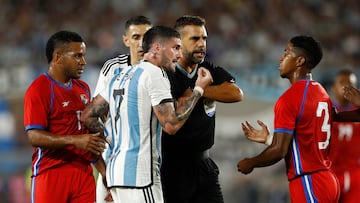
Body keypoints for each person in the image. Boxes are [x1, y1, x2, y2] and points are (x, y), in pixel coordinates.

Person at [80, 25, 213, 203]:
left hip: (115, 174)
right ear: (157, 48)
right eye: (175, 48)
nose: (179, 55)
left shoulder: (120, 76)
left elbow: (87, 115)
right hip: (140, 176)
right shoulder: (154, 74)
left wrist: (109, 137)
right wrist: (198, 90)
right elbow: (171, 125)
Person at [237, 35, 340, 202]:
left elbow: (279, 151)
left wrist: (251, 162)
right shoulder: (321, 92)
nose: (281, 57)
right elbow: (306, 142)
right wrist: (270, 139)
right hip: (326, 180)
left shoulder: (289, 98)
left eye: (286, 52)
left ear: (300, 61)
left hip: (309, 182)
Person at [161, 15, 243, 203]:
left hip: (204, 166)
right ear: (178, 43)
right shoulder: (166, 74)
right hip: (171, 169)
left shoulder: (207, 70)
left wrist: (200, 89)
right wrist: (200, 90)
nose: (202, 44)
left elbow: (236, 93)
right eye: (195, 39)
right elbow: (174, 111)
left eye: (204, 38)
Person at [24, 30, 107, 203]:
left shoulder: (83, 88)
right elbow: (33, 136)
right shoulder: (39, 89)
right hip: (51, 172)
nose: (83, 62)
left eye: (83, 56)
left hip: (83, 173)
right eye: (77, 56)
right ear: (58, 56)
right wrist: (75, 141)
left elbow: (87, 137)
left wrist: (104, 173)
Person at [93, 15, 152, 203]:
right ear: (126, 40)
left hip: (148, 161)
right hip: (113, 158)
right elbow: (93, 114)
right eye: (136, 37)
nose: (142, 42)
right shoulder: (113, 68)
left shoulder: (162, 70)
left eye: (147, 36)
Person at [329, 69, 360, 203]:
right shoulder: (324, 109)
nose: (346, 87)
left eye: (351, 84)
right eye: (342, 83)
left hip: (355, 174)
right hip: (330, 173)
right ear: (334, 88)